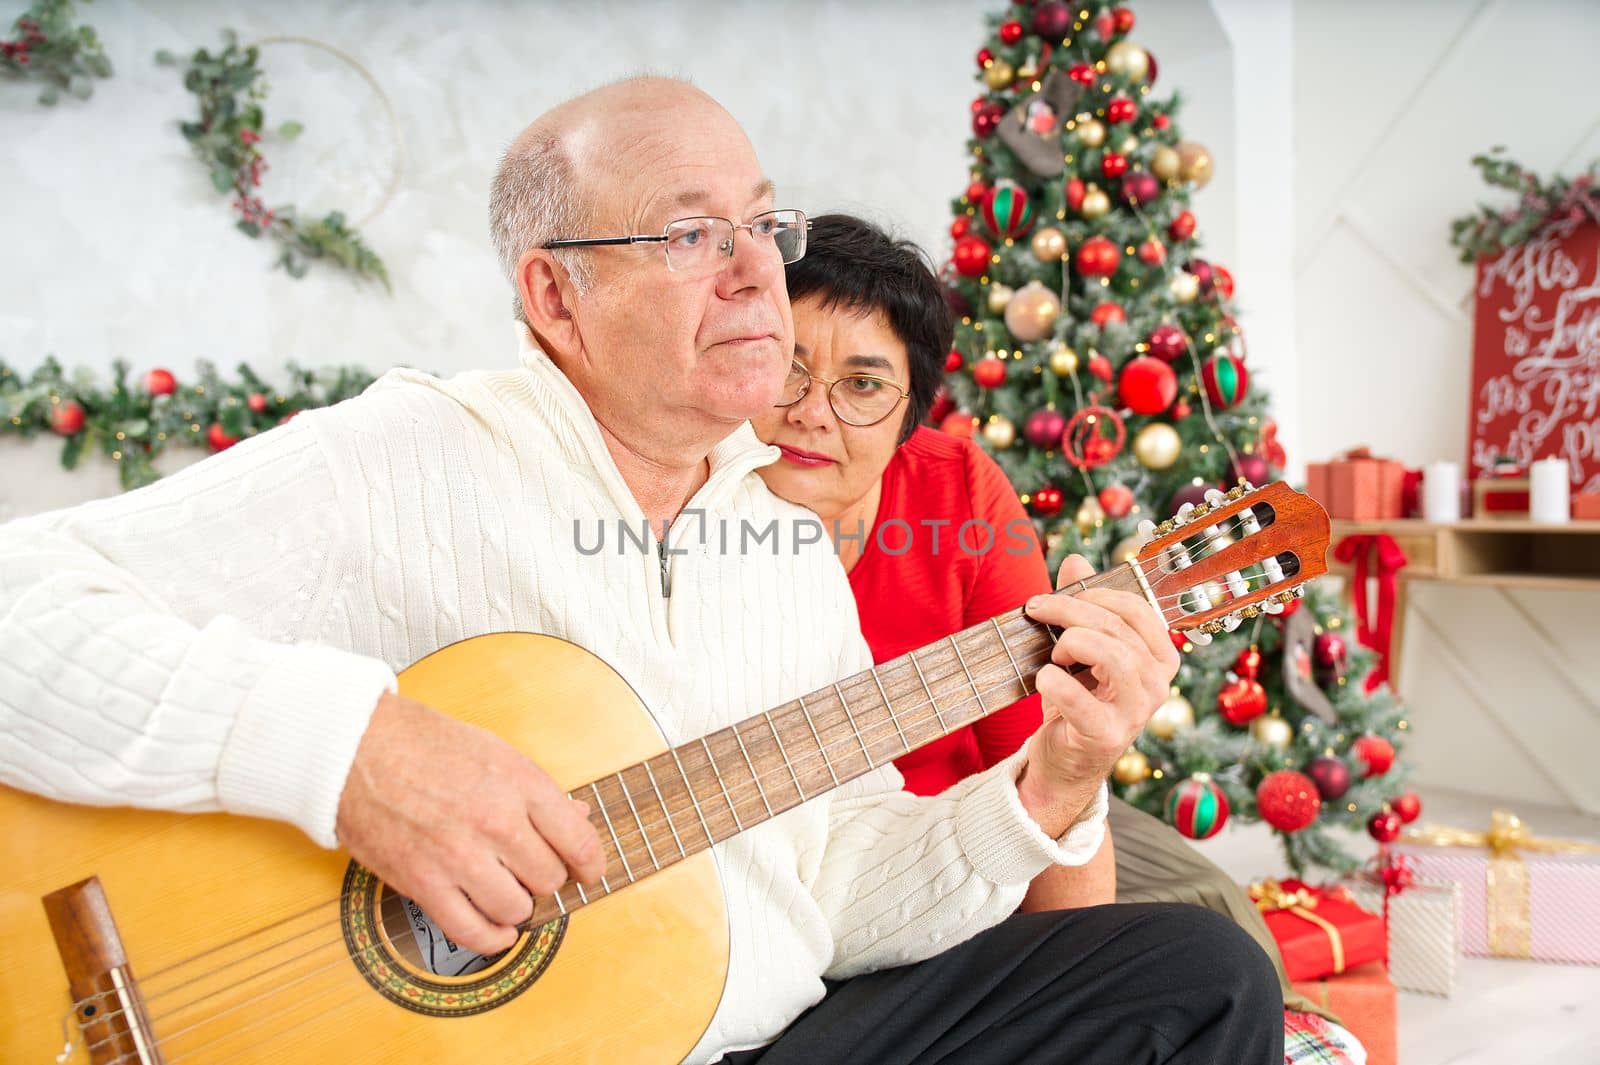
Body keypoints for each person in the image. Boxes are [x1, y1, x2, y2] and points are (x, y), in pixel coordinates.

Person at [0, 78, 1280, 1063]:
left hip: (752, 1035)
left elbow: (830, 887)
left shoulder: (780, 538)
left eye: (763, 225)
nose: (755, 271)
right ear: (554, 300)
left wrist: (1048, 783)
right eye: (686, 235)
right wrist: (353, 760)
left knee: (1196, 972)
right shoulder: (407, 455)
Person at [750, 212, 1359, 1055]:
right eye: (786, 367)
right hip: (783, 867)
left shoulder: (958, 490)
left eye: (862, 386)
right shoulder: (680, 500)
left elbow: (1038, 757)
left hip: (973, 825)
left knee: (1214, 919)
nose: (810, 411)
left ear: (909, 419)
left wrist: (1078, 975)